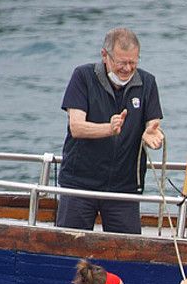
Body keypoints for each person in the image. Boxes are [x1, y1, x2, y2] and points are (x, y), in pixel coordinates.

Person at [56, 27, 164, 234]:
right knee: (69, 249)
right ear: (105, 56)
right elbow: (76, 127)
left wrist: (152, 134)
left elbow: (153, 123)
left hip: (124, 187)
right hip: (80, 184)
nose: (127, 68)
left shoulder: (147, 82)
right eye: (121, 62)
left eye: (133, 62)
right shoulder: (83, 76)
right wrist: (109, 128)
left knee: (128, 253)